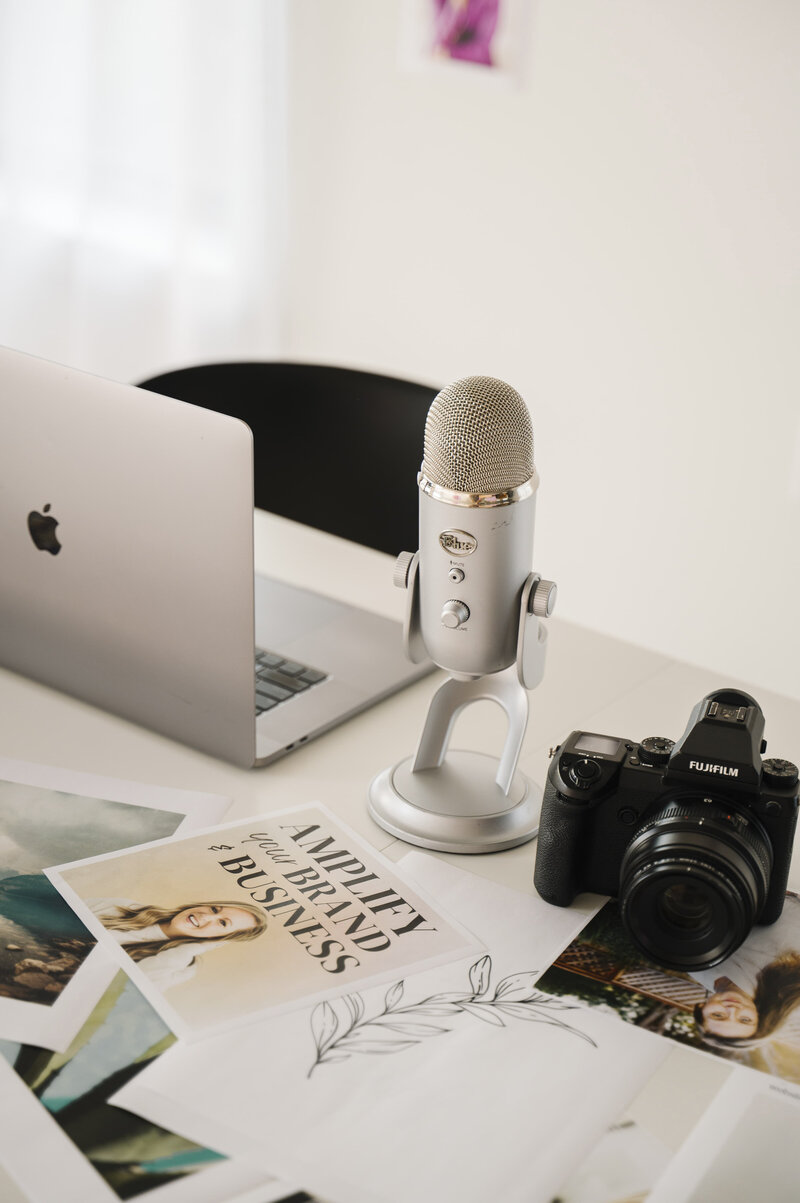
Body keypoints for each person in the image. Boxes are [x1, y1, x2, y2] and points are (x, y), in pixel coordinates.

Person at [90, 899, 267, 991]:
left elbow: (130, 990)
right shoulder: (126, 907)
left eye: (222, 924)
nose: (205, 916)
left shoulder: (183, 967)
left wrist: (197, 947)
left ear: (222, 939)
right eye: (214, 909)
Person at [693, 953, 800, 1050]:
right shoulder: (787, 975)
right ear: (758, 1015)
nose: (732, 1009)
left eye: (717, 1015)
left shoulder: (696, 969)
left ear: (702, 1008)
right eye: (745, 1019)